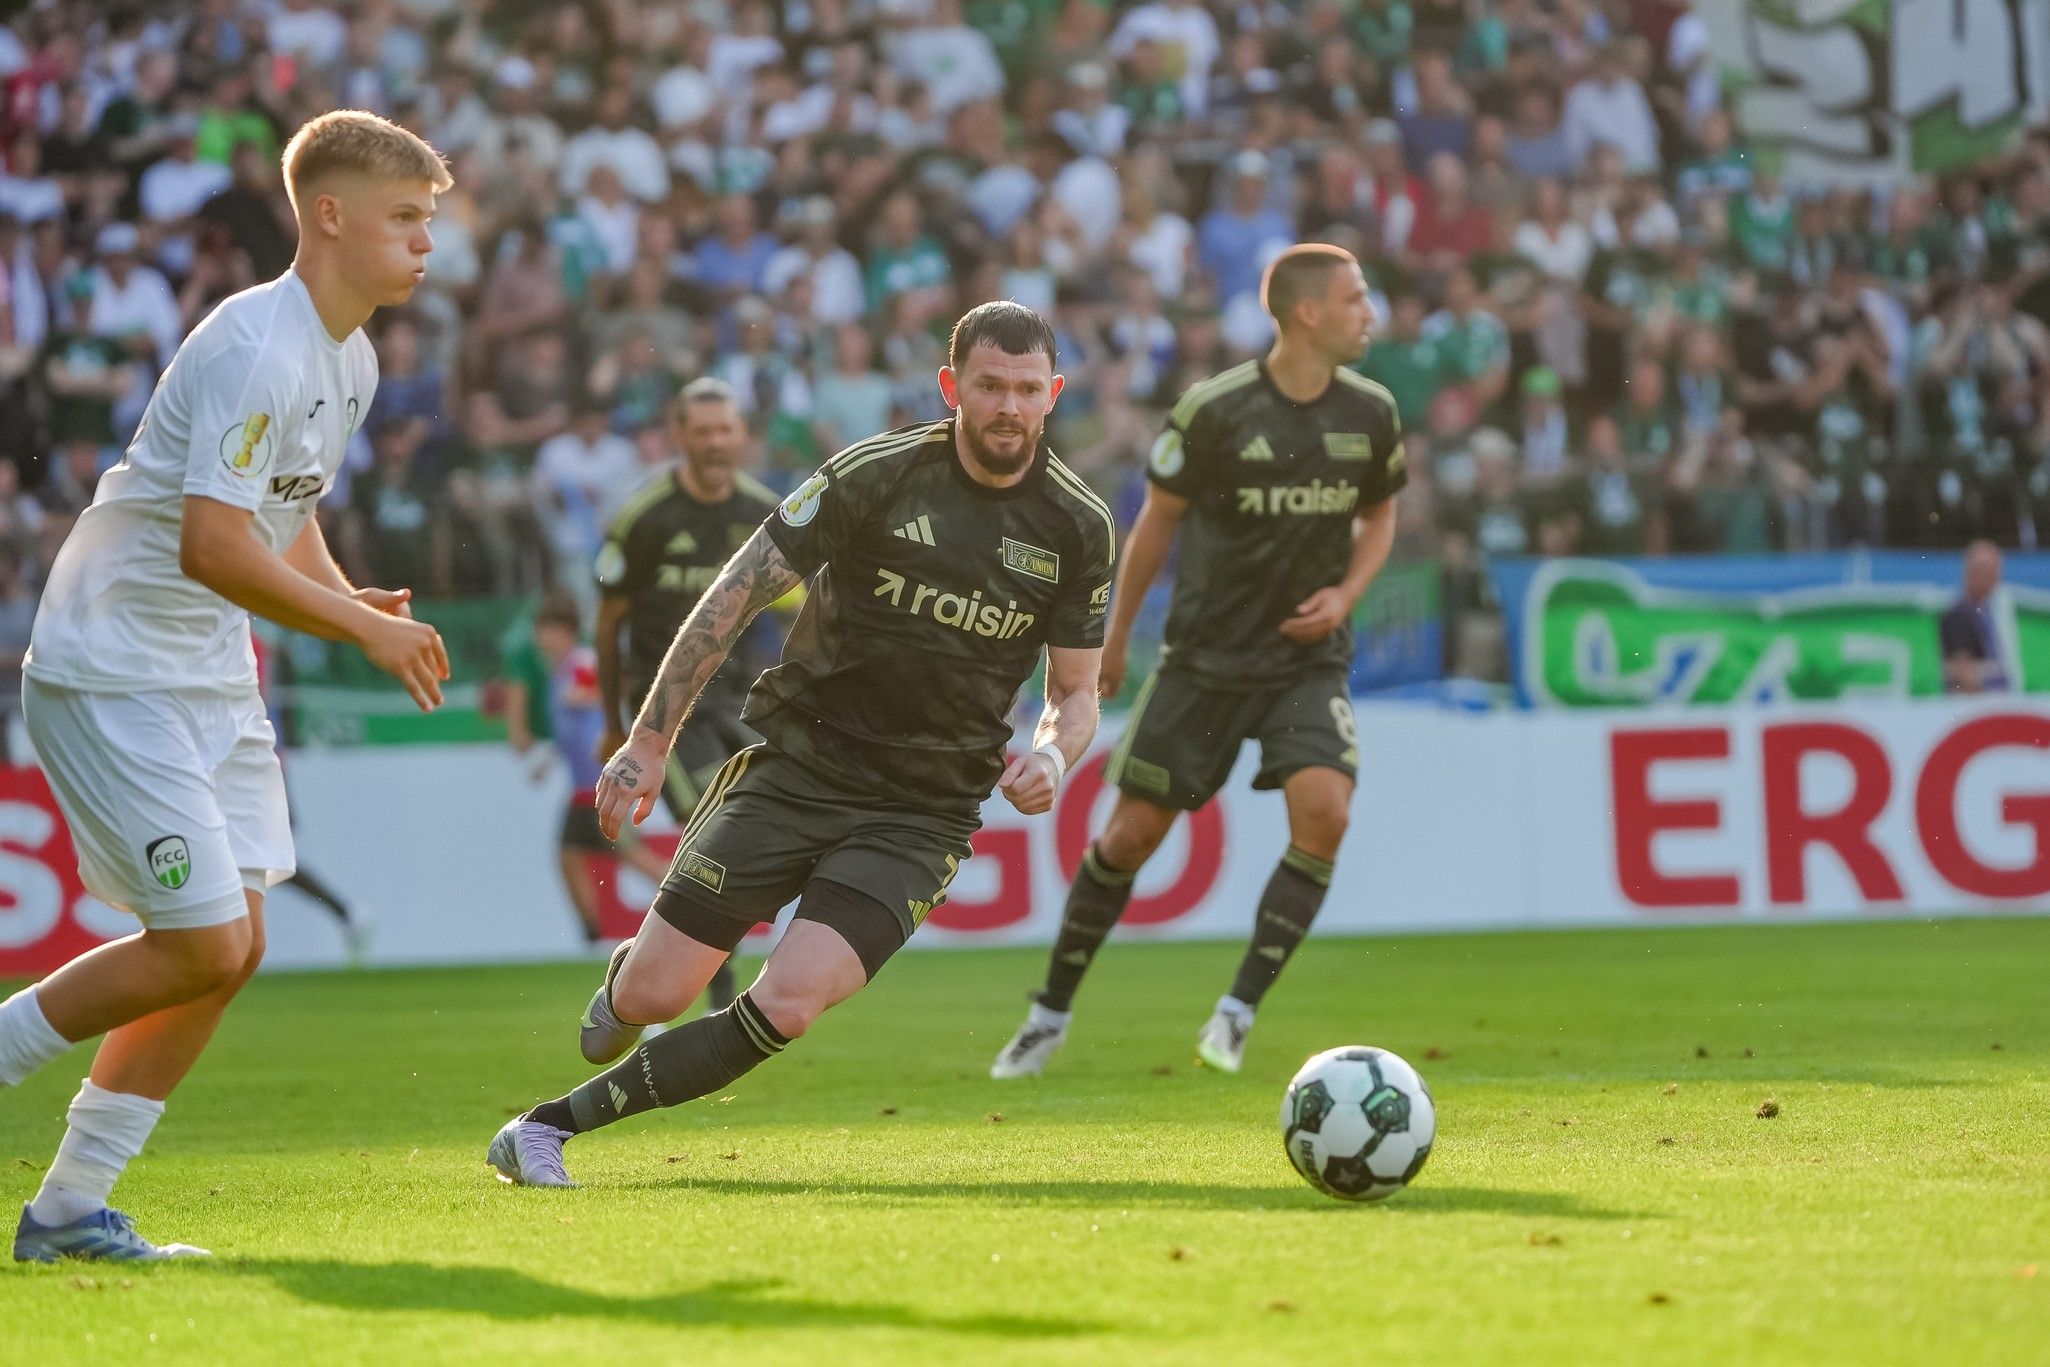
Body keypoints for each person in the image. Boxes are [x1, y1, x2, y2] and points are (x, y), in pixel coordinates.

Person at [487, 301, 1114, 1186]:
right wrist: (650, 739)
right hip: (800, 768)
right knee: (653, 995)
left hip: (924, 811)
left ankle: (543, 1129)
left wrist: (1052, 753)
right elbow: (735, 595)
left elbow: (1077, 692)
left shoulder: (1079, 524)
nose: (1008, 406)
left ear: (1053, 393)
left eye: (1026, 388)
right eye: (989, 386)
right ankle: (631, 978)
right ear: (951, 387)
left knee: (788, 1002)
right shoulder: (875, 474)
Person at [0, 111, 451, 1262]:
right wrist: (357, 625)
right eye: (405, 218)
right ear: (330, 216)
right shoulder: (260, 346)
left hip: (207, 675)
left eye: (429, 221)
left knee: (232, 946)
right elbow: (210, 545)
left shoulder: (352, 357)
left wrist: (349, 601)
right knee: (200, 942)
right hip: (117, 667)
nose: (425, 242)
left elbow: (279, 518)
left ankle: (67, 1211)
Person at [992, 242, 1403, 1079]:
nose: (1371, 313)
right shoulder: (1216, 411)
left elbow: (1381, 516)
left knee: (1326, 813)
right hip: (1205, 663)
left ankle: (1237, 1009)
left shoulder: (1371, 412)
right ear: (1308, 312)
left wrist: (1347, 593)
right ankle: (1049, 1013)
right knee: (1128, 838)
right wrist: (1114, 638)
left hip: (1305, 663)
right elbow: (1155, 526)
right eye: (1356, 298)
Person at [581, 379, 782, 1034]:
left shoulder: (766, 513)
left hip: (746, 703)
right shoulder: (645, 518)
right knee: (712, 831)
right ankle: (704, 988)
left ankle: (665, 971)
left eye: (726, 429)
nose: (716, 442)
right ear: (680, 437)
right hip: (668, 710)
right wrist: (615, 724)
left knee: (755, 832)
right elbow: (608, 624)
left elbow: (806, 604)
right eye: (703, 431)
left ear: (741, 434)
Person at [520, 592, 671, 944]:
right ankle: (591, 931)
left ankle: (693, 902)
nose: (539, 638)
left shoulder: (581, 663)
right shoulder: (559, 674)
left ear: (562, 631)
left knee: (629, 855)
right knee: (569, 856)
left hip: (599, 781)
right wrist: (548, 761)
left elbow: (618, 687)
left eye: (544, 630)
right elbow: (571, 732)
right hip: (582, 786)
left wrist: (587, 698)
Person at [1941, 539, 2009, 693]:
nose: (1992, 577)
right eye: (1985, 570)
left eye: (1995, 570)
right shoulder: (1958, 616)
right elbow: (1963, 677)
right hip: (1979, 703)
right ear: (1969, 572)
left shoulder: (1991, 614)